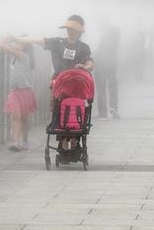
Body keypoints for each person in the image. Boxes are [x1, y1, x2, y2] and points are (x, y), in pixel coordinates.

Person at [14, 14, 94, 149]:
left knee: (76, 109)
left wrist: (84, 67)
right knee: (59, 109)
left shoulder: (83, 47)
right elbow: (38, 40)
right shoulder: (58, 42)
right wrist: (16, 38)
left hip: (77, 85)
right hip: (59, 83)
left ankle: (74, 139)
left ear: (79, 32)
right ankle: (62, 139)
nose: (70, 32)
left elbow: (90, 63)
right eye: (69, 29)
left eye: (74, 29)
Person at [0, 37, 37, 151]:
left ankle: (25, 140)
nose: (17, 45)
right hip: (14, 91)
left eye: (20, 43)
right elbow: (7, 48)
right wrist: (7, 40)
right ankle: (15, 142)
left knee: (24, 118)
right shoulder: (14, 58)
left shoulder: (24, 56)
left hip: (25, 91)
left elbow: (7, 48)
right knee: (15, 116)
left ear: (26, 46)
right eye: (16, 43)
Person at [95, 18, 120, 119]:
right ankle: (113, 108)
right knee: (112, 86)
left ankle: (103, 112)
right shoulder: (115, 33)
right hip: (112, 62)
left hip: (102, 63)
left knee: (101, 88)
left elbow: (99, 49)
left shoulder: (104, 35)